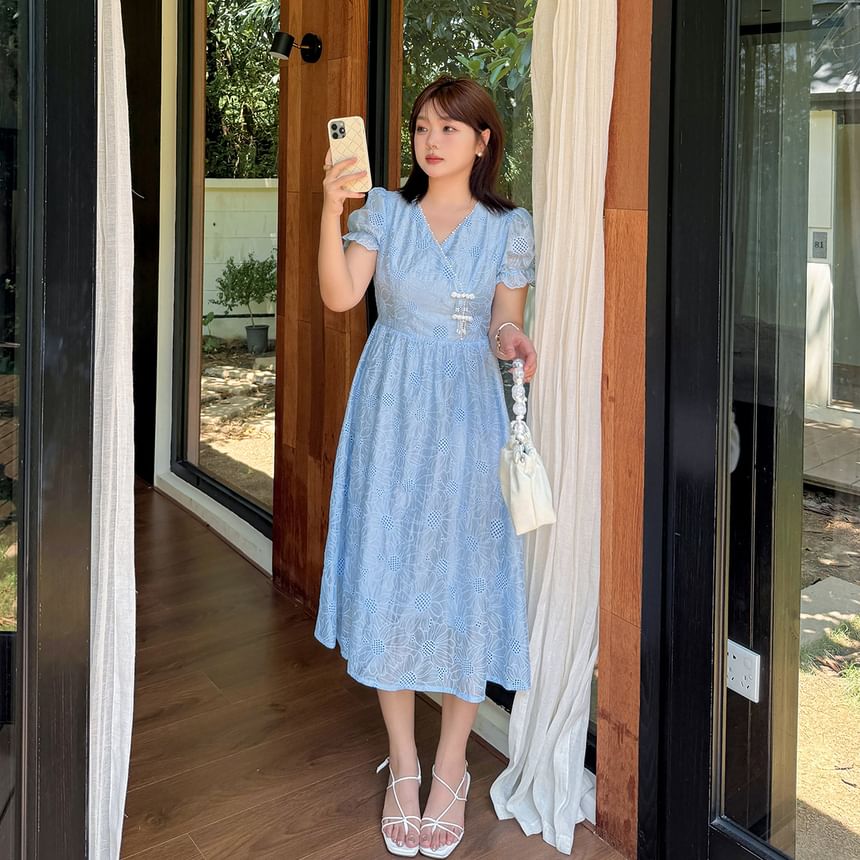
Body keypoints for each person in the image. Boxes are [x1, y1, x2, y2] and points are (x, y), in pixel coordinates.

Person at [313, 75, 537, 858]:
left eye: (450, 128)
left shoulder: (509, 227)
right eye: (421, 128)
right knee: (393, 571)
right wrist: (330, 210)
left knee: (465, 578)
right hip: (392, 413)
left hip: (470, 415)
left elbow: (504, 321)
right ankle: (404, 761)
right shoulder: (384, 211)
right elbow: (341, 296)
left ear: (483, 141)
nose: (431, 141)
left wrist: (514, 342)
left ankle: (451, 768)